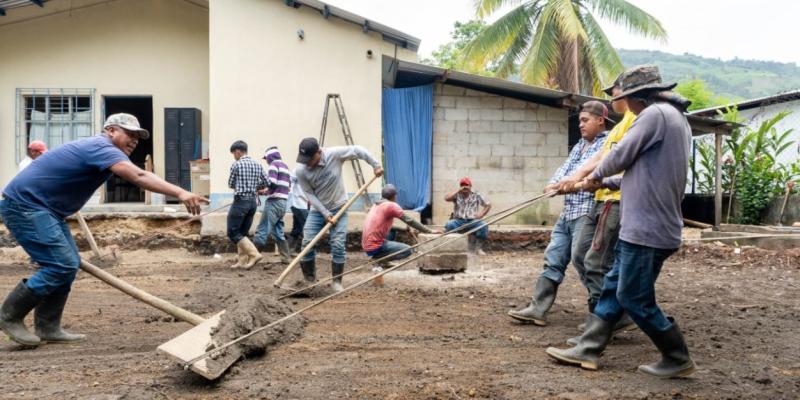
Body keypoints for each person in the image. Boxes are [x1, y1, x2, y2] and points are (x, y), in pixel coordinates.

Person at [0, 113, 207, 347]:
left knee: (68, 265)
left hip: (46, 210)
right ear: (110, 130)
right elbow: (138, 175)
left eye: (138, 137)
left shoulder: (102, 149)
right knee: (61, 265)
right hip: (26, 206)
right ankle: (10, 316)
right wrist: (181, 192)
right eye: (129, 134)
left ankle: (48, 326)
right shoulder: (100, 146)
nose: (135, 140)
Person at [546, 65, 696, 379]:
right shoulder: (673, 118)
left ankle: (676, 355)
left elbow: (620, 154)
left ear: (635, 96)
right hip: (647, 224)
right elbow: (639, 175)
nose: (622, 103)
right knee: (614, 287)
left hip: (648, 228)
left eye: (623, 97)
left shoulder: (655, 115)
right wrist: (600, 184)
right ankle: (588, 348)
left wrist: (592, 177)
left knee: (634, 297)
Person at [507, 101, 608, 326]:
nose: (581, 125)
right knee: (553, 257)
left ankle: (602, 315)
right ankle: (537, 308)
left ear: (600, 120)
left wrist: (575, 183)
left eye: (585, 120)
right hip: (569, 211)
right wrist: (553, 185)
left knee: (583, 260)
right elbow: (564, 171)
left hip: (588, 211)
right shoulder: (579, 145)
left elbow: (597, 173)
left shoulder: (607, 144)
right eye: (579, 121)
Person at [555, 77, 638, 342]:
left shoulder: (636, 121)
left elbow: (614, 160)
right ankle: (603, 316)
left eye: (613, 93)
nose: (611, 99)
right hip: (601, 196)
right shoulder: (620, 126)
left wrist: (582, 182)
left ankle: (609, 318)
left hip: (616, 197)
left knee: (597, 261)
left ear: (626, 92)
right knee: (585, 257)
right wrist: (574, 178)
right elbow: (600, 157)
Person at [294, 137, 383, 292]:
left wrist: (375, 165)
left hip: (339, 207)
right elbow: (309, 194)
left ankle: (336, 282)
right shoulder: (301, 170)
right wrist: (325, 213)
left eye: (310, 159)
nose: (306, 163)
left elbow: (358, 150)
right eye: (304, 159)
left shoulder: (334, 154)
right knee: (307, 243)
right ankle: (309, 281)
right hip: (318, 210)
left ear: (319, 152)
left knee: (337, 244)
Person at [362, 184, 441, 263]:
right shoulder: (391, 205)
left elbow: (388, 224)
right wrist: (429, 231)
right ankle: (378, 260)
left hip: (366, 244)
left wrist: (405, 228)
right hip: (374, 246)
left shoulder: (376, 204)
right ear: (394, 196)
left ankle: (383, 260)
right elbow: (410, 221)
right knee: (408, 250)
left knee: (393, 231)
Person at [226, 140, 266, 269]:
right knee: (242, 232)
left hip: (240, 201)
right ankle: (242, 261)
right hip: (252, 203)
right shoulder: (257, 165)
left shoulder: (236, 165)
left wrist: (242, 185)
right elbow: (267, 182)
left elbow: (231, 184)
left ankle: (254, 254)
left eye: (234, 153)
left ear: (238, 151)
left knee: (232, 232)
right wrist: (254, 186)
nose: (234, 156)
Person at [254, 146, 292, 263]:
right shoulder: (286, 167)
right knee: (278, 232)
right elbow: (288, 186)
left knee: (262, 230)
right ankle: (286, 258)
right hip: (283, 203)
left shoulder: (273, 166)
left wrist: (264, 191)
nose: (266, 160)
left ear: (270, 157)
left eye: (266, 158)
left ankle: (252, 256)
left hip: (274, 202)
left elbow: (273, 183)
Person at [443, 177, 492, 255]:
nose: (464, 187)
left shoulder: (476, 195)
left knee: (483, 225)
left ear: (470, 186)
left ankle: (478, 248)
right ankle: (452, 247)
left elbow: (488, 205)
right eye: (462, 185)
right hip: (458, 221)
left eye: (466, 185)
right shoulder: (457, 194)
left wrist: (481, 214)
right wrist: (458, 191)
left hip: (472, 221)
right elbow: (446, 198)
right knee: (449, 225)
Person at [286, 172, 309, 255]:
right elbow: (289, 179)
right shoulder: (299, 169)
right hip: (298, 203)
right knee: (308, 227)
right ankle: (307, 251)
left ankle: (289, 251)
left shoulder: (312, 170)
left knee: (297, 227)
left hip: (303, 203)